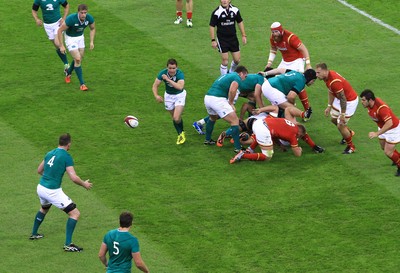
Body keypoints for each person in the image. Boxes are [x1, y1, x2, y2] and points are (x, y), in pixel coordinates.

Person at [29, 133, 93, 252]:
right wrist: (84, 184)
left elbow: (39, 170)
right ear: (69, 144)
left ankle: (34, 233)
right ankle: (68, 244)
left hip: (41, 187)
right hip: (52, 191)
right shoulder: (66, 157)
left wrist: (49, 177)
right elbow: (73, 178)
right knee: (75, 214)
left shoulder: (49, 153)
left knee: (44, 208)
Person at [265, 22, 312, 118]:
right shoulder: (273, 38)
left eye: (276, 32)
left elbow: (304, 49)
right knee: (279, 81)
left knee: (299, 82)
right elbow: (273, 49)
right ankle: (285, 107)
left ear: (281, 31)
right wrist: (269, 63)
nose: (274, 34)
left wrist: (308, 64)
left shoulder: (291, 37)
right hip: (285, 61)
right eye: (273, 32)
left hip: (297, 60)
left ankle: (307, 109)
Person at [193, 73, 264, 135]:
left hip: (236, 89)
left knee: (252, 98)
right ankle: (200, 123)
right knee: (227, 111)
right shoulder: (262, 80)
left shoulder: (256, 77)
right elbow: (257, 95)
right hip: (235, 90)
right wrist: (262, 109)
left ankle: (250, 120)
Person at [203, 65, 248, 153]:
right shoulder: (236, 77)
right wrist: (230, 103)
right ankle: (238, 148)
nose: (244, 78)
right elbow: (232, 90)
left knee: (213, 118)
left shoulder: (227, 75)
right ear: (241, 73)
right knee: (235, 121)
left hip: (208, 97)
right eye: (245, 76)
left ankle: (207, 140)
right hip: (217, 99)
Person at [315, 63, 358, 154]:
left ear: (324, 71)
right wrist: (329, 106)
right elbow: (331, 91)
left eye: (318, 73)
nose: (316, 75)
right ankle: (349, 133)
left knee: (340, 125)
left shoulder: (334, 81)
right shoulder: (327, 77)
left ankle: (351, 147)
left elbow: (343, 98)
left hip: (349, 101)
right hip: (339, 99)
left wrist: (342, 114)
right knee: (334, 119)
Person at [230, 115, 307, 164]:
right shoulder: (293, 134)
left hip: (258, 122)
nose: (299, 138)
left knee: (265, 138)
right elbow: (297, 154)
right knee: (268, 156)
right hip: (264, 129)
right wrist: (299, 149)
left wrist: (280, 145)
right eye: (300, 136)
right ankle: (243, 155)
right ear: (300, 132)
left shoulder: (288, 124)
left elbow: (275, 134)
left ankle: (249, 150)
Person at [360, 89, 400, 177]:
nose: (362, 102)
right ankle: (396, 158)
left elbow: (389, 123)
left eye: (363, 100)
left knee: (388, 152)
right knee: (383, 147)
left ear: (370, 100)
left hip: (393, 129)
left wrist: (377, 133)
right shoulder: (371, 104)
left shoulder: (382, 109)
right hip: (383, 127)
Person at [58, 4, 95, 91]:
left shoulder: (89, 18)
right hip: (70, 38)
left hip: (80, 38)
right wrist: (61, 45)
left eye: (85, 13)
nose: (83, 15)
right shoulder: (71, 19)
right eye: (81, 13)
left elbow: (92, 28)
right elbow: (60, 31)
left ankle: (68, 72)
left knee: (79, 59)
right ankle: (82, 84)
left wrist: (91, 41)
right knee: (78, 59)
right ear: (78, 12)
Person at [152, 58, 187, 145]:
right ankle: (181, 133)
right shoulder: (162, 73)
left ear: (177, 68)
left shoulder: (180, 74)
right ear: (167, 67)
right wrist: (156, 95)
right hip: (168, 96)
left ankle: (180, 135)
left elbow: (180, 87)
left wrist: (167, 79)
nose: (171, 70)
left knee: (176, 117)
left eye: (173, 68)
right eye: (170, 68)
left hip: (179, 95)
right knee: (175, 119)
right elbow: (155, 85)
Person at [31, 0, 70, 73]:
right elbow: (34, 10)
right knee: (57, 46)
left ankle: (70, 49)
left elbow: (67, 6)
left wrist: (64, 19)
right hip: (47, 26)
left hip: (57, 23)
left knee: (58, 43)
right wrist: (36, 19)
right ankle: (66, 64)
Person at [210, 0, 247, 75]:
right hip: (222, 39)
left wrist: (243, 35)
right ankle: (224, 78)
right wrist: (213, 40)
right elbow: (212, 26)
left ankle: (231, 72)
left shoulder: (235, 10)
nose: (224, 1)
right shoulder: (216, 12)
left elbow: (240, 22)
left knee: (237, 60)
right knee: (225, 61)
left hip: (233, 38)